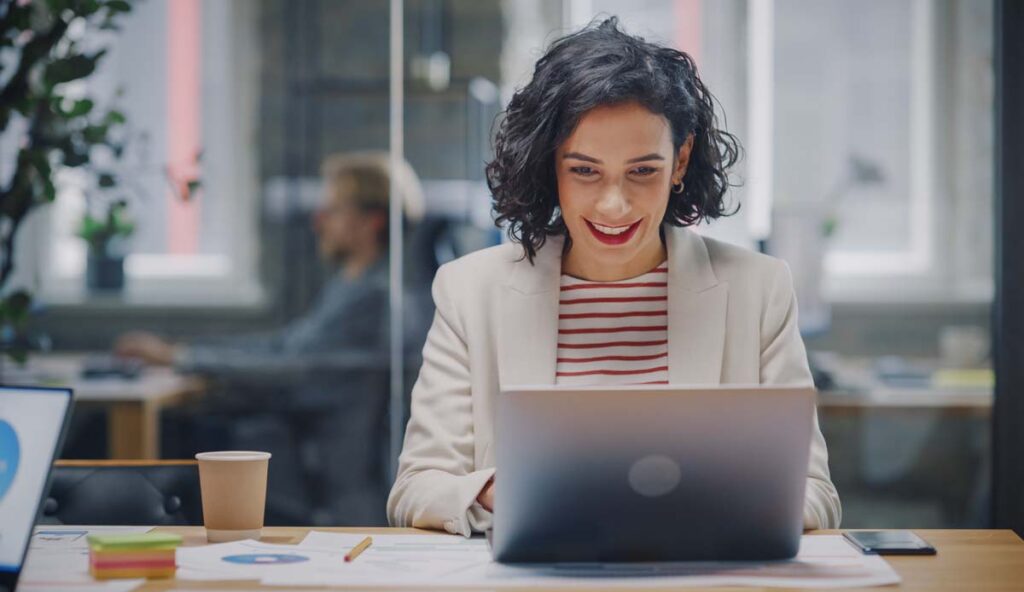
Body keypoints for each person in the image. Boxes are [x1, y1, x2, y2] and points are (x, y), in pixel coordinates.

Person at [387, 18, 842, 536]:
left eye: (643, 171)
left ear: (680, 160)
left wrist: (705, 503)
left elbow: (816, 495)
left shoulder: (759, 290)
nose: (614, 204)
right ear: (549, 165)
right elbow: (416, 488)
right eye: (584, 171)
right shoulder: (470, 291)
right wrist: (499, 492)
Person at [114, 152, 425, 370]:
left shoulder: (373, 299)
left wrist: (181, 359)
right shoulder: (348, 286)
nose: (318, 222)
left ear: (373, 221)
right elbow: (284, 346)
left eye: (333, 210)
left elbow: (290, 368)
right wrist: (180, 351)